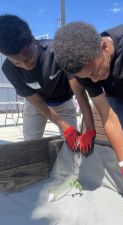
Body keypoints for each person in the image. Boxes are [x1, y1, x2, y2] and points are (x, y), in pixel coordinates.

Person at [53, 22, 123, 195]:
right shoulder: (84, 73)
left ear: (104, 47)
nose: (94, 80)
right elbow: (107, 115)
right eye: (88, 77)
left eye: (96, 71)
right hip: (116, 96)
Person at [0, 14, 96, 156]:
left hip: (64, 100)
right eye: (17, 63)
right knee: (29, 143)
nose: (25, 66)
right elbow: (36, 101)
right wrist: (64, 127)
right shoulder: (8, 69)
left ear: (33, 41)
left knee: (73, 142)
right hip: (37, 104)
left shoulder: (57, 52)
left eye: (28, 58)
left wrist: (89, 129)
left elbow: (79, 93)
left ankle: (70, 174)